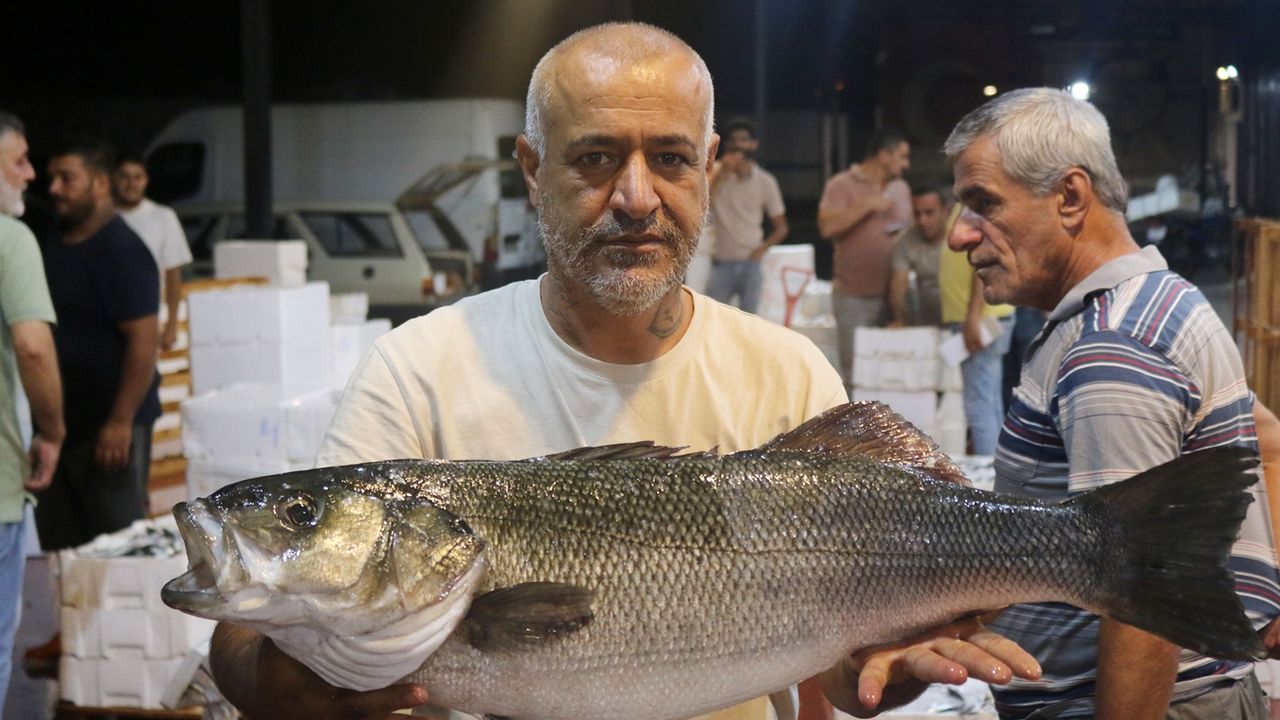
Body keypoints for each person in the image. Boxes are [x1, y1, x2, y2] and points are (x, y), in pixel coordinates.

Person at [206, 22, 1038, 720]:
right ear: (532, 168)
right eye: (596, 158)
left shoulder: (785, 368)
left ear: (709, 166)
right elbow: (247, 638)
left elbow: (840, 676)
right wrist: (275, 682)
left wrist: (889, 671)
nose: (637, 197)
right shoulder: (419, 366)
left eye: (670, 159)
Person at [945, 86, 1280, 718]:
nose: (960, 235)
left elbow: (1141, 598)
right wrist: (1264, 581)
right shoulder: (1154, 304)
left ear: (1071, 197)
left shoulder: (1110, 346)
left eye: (984, 204)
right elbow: (1266, 440)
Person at [36, 137, 160, 551]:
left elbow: (143, 341)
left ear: (100, 183)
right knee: (64, 546)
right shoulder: (56, 240)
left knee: (118, 544)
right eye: (52, 177)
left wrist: (120, 422)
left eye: (66, 178)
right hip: (63, 424)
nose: (54, 188)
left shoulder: (121, 250)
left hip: (110, 427)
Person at [0, 110, 64, 712]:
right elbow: (33, 347)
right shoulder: (10, 238)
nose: (30, 174)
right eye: (18, 160)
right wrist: (52, 430)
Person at [817, 128, 912, 391]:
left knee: (893, 372)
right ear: (884, 155)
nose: (906, 165)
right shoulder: (841, 185)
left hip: (895, 296)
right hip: (853, 296)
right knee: (856, 373)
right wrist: (866, 206)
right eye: (902, 157)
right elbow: (827, 228)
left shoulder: (900, 188)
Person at [937, 211, 1015, 456]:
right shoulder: (965, 206)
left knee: (979, 406)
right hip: (982, 316)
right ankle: (994, 466)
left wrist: (972, 317)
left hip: (979, 318)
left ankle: (988, 471)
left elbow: (983, 257)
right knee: (989, 402)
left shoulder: (975, 205)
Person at [705, 117, 788, 313]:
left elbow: (782, 227)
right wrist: (722, 173)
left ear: (754, 144)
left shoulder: (765, 181)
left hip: (751, 263)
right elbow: (703, 205)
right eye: (733, 140)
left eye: (743, 139)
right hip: (720, 263)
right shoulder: (716, 174)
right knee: (712, 318)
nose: (738, 145)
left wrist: (761, 250)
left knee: (750, 321)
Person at [114, 154, 192, 350]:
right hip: (109, 320)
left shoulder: (163, 217)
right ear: (114, 179)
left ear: (146, 180)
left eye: (137, 177)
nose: (131, 184)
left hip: (149, 318)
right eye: (124, 177)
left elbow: (173, 275)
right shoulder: (101, 218)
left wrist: (171, 325)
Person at [886, 186, 949, 327]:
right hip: (928, 314)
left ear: (945, 211)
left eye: (929, 213)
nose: (922, 221)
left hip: (962, 313)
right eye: (917, 214)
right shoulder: (905, 240)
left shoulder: (961, 235)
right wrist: (900, 320)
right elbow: (898, 286)